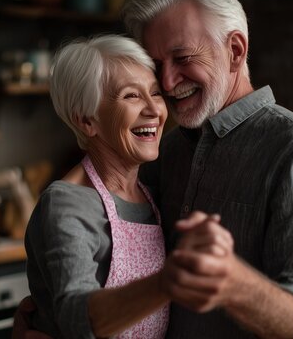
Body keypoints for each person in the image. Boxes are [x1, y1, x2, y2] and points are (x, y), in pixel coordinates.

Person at [121, 0, 293, 338]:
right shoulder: (167, 150)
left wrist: (234, 283)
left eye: (183, 58)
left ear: (236, 50)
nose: (166, 81)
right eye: (157, 64)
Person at [21, 34, 230, 339]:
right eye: (131, 96)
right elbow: (75, 316)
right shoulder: (68, 203)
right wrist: (166, 283)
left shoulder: (149, 190)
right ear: (86, 120)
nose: (153, 111)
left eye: (156, 93)